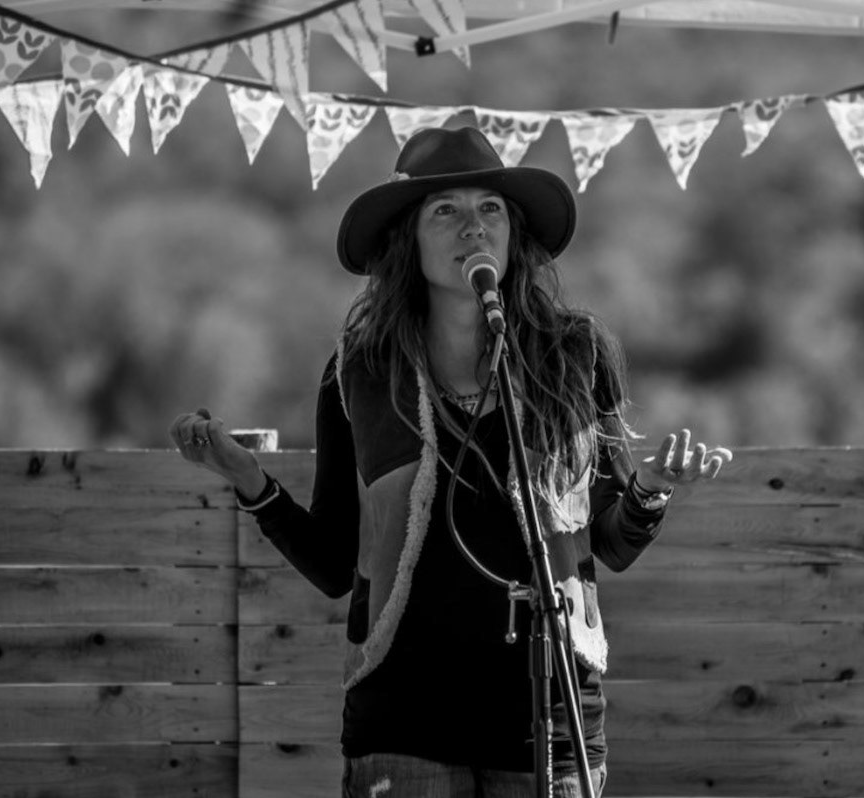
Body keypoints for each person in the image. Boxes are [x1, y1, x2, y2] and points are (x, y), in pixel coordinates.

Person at [170, 125, 732, 797]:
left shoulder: (574, 358)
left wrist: (651, 489)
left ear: (514, 234)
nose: (474, 226)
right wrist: (248, 481)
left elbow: (608, 545)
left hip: (546, 723)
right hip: (404, 723)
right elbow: (333, 565)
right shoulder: (361, 370)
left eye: (490, 208)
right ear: (407, 239)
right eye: (446, 211)